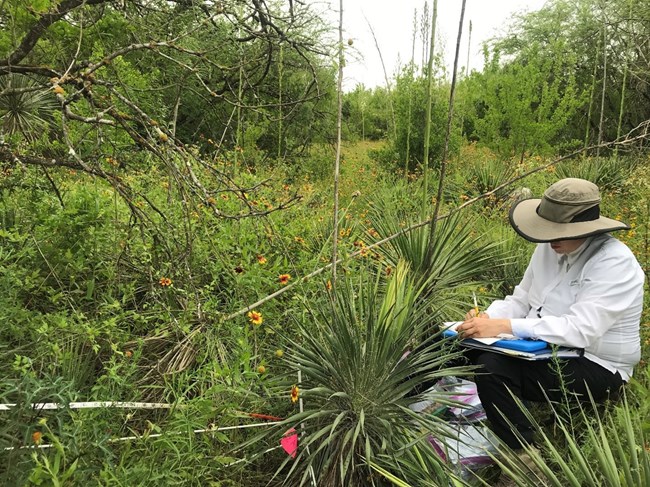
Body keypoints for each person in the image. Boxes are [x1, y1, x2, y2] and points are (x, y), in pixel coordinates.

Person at [455, 178, 645, 477]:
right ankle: (405, 414)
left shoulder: (614, 263)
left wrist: (505, 326)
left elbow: (581, 330)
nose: (549, 239)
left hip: (596, 363)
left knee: (491, 368)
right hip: (542, 348)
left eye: (559, 233)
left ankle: (526, 461)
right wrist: (487, 319)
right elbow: (521, 299)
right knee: (452, 342)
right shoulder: (549, 248)